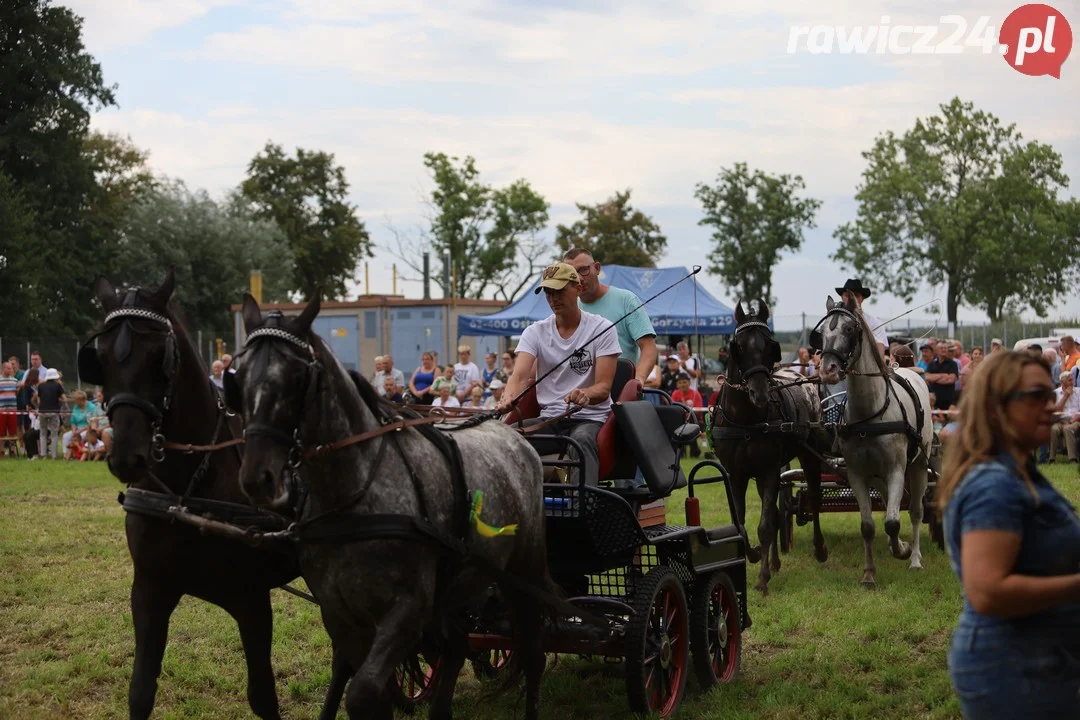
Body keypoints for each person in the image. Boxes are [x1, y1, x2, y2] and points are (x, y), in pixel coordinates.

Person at [936, 350, 1080, 719]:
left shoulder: (1017, 472)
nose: (1050, 406)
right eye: (1036, 396)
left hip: (1040, 663)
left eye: (1050, 395)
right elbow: (988, 591)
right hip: (1014, 672)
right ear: (995, 407)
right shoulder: (993, 485)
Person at [498, 262, 621, 487]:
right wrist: (508, 398)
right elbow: (519, 377)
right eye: (548, 292)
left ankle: (582, 511)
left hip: (591, 419)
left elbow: (603, 388)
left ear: (578, 288)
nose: (553, 298)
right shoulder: (535, 332)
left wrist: (584, 393)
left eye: (559, 291)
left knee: (581, 441)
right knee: (505, 439)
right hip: (551, 419)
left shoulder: (602, 328)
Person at [563, 248, 658, 384]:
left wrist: (638, 381)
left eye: (583, 270)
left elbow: (649, 347)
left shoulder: (626, 300)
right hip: (581, 395)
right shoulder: (568, 308)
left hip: (621, 393)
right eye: (572, 274)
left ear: (597, 268)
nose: (579, 278)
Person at [835, 278, 888, 357]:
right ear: (842, 297)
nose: (851, 299)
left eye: (856, 295)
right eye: (847, 295)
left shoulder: (874, 323)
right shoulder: (833, 321)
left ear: (862, 298)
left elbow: (879, 351)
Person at [1049, 371, 1080, 462]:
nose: (1072, 382)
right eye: (1069, 381)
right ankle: (1051, 458)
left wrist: (1071, 421)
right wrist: (1065, 397)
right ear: (1062, 383)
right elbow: (1056, 412)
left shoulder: (1078, 392)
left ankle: (1072, 458)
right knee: (1053, 429)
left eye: (1072, 380)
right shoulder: (1055, 393)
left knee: (1068, 429)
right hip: (1059, 420)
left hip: (1075, 420)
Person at [35, 369, 65, 459]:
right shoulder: (58, 386)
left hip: (42, 411)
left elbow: (39, 400)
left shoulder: (41, 386)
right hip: (54, 412)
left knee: (43, 433)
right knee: (54, 433)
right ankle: (54, 455)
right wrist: (57, 400)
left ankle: (43, 455)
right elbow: (64, 399)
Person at [62, 390, 96, 461]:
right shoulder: (75, 407)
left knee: (82, 436)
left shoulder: (92, 407)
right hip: (77, 429)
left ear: (81, 400)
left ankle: (80, 454)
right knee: (66, 436)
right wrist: (74, 431)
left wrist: (79, 432)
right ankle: (66, 455)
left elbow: (91, 423)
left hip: (87, 429)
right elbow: (73, 421)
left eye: (75, 400)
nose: (74, 401)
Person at [925, 341, 960, 410]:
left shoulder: (953, 364)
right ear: (936, 350)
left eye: (945, 348)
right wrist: (944, 375)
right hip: (934, 401)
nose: (943, 350)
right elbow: (927, 378)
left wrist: (934, 378)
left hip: (948, 401)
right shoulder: (931, 364)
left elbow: (950, 380)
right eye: (941, 348)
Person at [0, 362, 18, 457]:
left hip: (13, 410)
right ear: (3, 369)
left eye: (11, 368)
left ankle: (12, 450)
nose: (10, 370)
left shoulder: (15, 381)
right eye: (8, 368)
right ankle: (1, 450)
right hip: (1, 410)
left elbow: (16, 393)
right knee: (1, 431)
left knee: (12, 431)